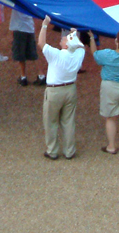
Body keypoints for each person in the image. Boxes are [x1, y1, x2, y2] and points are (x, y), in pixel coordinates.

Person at [39, 15, 85, 159]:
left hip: (54, 91)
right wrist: (74, 33)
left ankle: (52, 150)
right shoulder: (78, 55)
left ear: (66, 45)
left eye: (65, 38)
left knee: (51, 122)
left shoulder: (56, 55)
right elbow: (80, 46)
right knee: (68, 122)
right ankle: (69, 151)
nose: (63, 38)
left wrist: (44, 25)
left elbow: (41, 43)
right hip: (70, 89)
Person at [8, 5, 38, 86]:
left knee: (20, 54)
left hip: (19, 28)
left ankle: (23, 76)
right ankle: (41, 75)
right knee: (33, 54)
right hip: (29, 27)